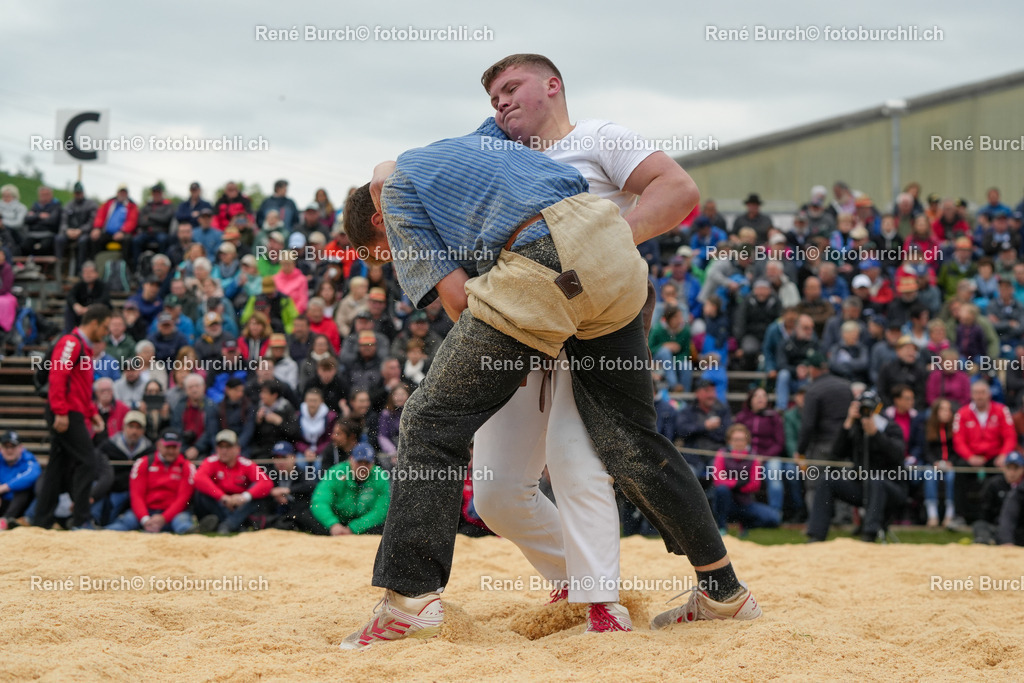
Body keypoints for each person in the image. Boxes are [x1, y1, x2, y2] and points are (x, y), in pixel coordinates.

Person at [339, 122, 757, 647]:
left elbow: (459, 303)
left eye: (387, 249)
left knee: (448, 425)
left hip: (541, 282)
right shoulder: (487, 147)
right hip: (605, 270)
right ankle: (716, 587)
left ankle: (415, 598)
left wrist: (387, 181)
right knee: (594, 454)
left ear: (381, 222)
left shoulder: (403, 196)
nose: (396, 260)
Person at [34, 304, 111, 530]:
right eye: (105, 327)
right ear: (94, 322)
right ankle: (81, 519)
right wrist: (60, 411)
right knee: (87, 461)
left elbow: (80, 388)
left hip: (71, 410)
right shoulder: (72, 342)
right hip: (66, 412)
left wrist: (92, 413)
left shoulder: (82, 347)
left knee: (57, 467)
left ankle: (42, 520)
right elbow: (58, 374)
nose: (106, 332)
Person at [806, 392, 907, 542]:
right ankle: (816, 535)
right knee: (827, 480)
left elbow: (897, 455)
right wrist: (848, 423)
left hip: (890, 488)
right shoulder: (855, 428)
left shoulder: (890, 427)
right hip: (862, 488)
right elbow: (836, 453)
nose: (866, 412)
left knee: (875, 479)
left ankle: (869, 535)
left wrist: (875, 434)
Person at [105, 431, 202, 534]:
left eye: (174, 447)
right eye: (167, 447)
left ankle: (193, 531)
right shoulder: (143, 463)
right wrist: (145, 519)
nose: (171, 451)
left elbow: (183, 499)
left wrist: (163, 518)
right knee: (124, 523)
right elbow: (136, 495)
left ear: (180, 447)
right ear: (159, 445)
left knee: (183, 524)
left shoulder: (187, 467)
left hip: (174, 514)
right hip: (146, 511)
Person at [952, 380, 1017, 524]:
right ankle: (960, 516)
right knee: (960, 471)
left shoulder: (1001, 410)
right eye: (976, 393)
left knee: (1004, 473)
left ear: (989, 394)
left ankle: (1000, 515)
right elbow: (958, 440)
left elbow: (1010, 436)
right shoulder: (963, 413)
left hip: (995, 456)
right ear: (971, 395)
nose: (979, 396)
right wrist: (970, 457)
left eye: (982, 393)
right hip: (971, 457)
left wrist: (1003, 455)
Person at [192, 430, 272, 533]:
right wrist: (223, 497)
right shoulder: (211, 461)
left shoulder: (246, 464)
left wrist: (244, 497)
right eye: (221, 447)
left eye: (228, 447)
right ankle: (234, 525)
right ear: (216, 449)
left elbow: (266, 482)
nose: (224, 451)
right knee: (201, 493)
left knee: (258, 495)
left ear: (237, 449)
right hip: (220, 503)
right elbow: (198, 478)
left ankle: (227, 525)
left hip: (240, 504)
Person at [710, 424, 781, 535]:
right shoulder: (722, 454)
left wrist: (736, 486)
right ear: (729, 441)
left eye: (742, 440)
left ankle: (746, 524)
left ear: (747, 441)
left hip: (745, 502)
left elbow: (755, 484)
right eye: (736, 439)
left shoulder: (753, 457)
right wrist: (737, 483)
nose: (739, 443)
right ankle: (722, 526)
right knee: (722, 490)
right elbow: (718, 480)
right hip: (726, 502)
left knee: (774, 518)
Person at [310, 442, 390, 536]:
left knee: (387, 526)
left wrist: (354, 528)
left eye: (367, 463)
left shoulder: (380, 477)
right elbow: (319, 501)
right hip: (337, 520)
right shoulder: (336, 472)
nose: (362, 467)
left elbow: (381, 510)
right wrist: (333, 524)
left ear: (372, 464)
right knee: (306, 515)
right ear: (351, 460)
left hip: (364, 525)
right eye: (359, 462)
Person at [266, 441, 324, 534]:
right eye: (276, 457)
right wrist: (272, 492)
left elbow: (312, 485)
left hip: (296, 512)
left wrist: (287, 490)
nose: (279, 461)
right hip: (277, 511)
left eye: (283, 457)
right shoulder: (271, 473)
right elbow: (259, 486)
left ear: (293, 458)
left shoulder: (301, 473)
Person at [0, 431, 41, 530]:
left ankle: (7, 520)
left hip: (21, 503)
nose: (9, 450)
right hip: (4, 501)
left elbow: (32, 475)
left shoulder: (28, 459)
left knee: (22, 489)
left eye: (13, 447)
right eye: (6, 447)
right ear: (1, 448)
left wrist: (6, 487)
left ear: (20, 448)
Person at [995, 452, 1024, 546]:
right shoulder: (995, 484)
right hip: (1010, 530)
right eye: (1009, 468)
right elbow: (1008, 517)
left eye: (1016, 468)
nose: (1012, 473)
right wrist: (1006, 541)